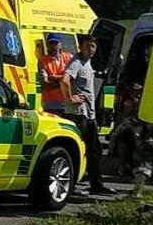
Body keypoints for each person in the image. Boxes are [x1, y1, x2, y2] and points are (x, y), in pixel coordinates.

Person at [62, 35, 112, 195]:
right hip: (78, 114)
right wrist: (70, 98)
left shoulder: (87, 63)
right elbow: (64, 80)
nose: (91, 49)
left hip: (89, 114)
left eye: (93, 46)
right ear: (81, 46)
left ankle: (96, 185)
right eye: (88, 46)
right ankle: (71, 186)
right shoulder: (76, 62)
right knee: (77, 149)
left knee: (95, 150)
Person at [37, 34, 71, 114]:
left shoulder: (68, 57)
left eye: (55, 43)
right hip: (50, 104)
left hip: (68, 104)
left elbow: (74, 78)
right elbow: (45, 84)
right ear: (47, 45)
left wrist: (52, 77)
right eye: (51, 43)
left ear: (60, 44)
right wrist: (63, 82)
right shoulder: (42, 60)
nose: (53, 46)